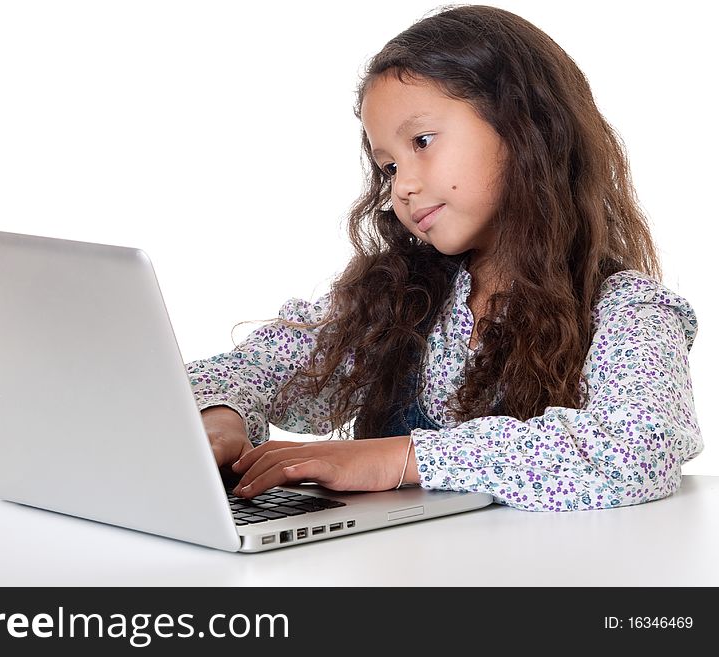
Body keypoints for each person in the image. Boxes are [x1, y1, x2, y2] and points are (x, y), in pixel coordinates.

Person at [185, 4, 703, 512]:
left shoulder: (627, 310)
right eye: (387, 167)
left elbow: (639, 450)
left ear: (525, 127)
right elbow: (258, 366)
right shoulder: (397, 300)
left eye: (422, 141)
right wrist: (220, 414)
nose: (403, 187)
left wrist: (402, 458)